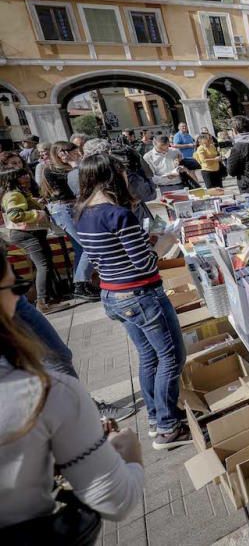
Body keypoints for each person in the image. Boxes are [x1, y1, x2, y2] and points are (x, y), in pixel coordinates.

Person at [0, 246, 144, 532]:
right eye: (15, 286)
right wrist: (131, 456)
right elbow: (115, 499)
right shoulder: (46, 393)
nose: (19, 298)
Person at [75, 154, 190, 449]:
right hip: (140, 294)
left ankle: (157, 418)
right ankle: (167, 426)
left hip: (114, 294)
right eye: (123, 173)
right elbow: (143, 264)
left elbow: (108, 256)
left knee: (149, 356)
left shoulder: (82, 213)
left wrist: (144, 242)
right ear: (113, 176)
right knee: (171, 356)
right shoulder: (117, 214)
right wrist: (161, 245)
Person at [41, 142, 97, 302]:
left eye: (73, 151)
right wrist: (75, 166)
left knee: (81, 247)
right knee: (88, 245)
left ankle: (81, 285)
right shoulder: (51, 169)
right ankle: (80, 284)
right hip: (63, 209)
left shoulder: (69, 167)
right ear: (58, 154)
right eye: (66, 152)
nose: (71, 154)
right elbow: (74, 189)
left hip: (71, 208)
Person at [0, 169, 59, 312]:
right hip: (26, 234)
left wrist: (36, 203)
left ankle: (45, 298)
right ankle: (42, 302)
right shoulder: (14, 194)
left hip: (30, 233)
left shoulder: (18, 193)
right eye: (21, 175)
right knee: (42, 265)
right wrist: (37, 213)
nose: (26, 177)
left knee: (43, 264)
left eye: (26, 174)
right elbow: (15, 215)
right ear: (13, 179)